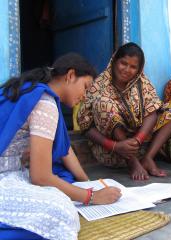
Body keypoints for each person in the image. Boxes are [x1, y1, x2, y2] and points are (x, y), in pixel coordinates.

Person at [0, 53, 121, 240]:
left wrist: (86, 182)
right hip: (5, 178)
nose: (85, 96)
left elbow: (63, 149)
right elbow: (40, 176)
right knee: (62, 212)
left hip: (12, 171)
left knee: (64, 180)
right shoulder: (45, 103)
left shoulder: (31, 90)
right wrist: (92, 196)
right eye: (86, 87)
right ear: (70, 76)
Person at [77, 42, 171, 181]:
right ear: (114, 61)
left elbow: (152, 111)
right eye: (123, 63)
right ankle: (132, 163)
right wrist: (116, 146)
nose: (127, 69)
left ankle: (148, 158)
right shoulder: (99, 85)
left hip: (140, 146)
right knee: (104, 103)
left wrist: (137, 140)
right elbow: (85, 126)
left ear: (139, 70)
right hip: (112, 151)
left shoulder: (142, 83)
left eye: (133, 67)